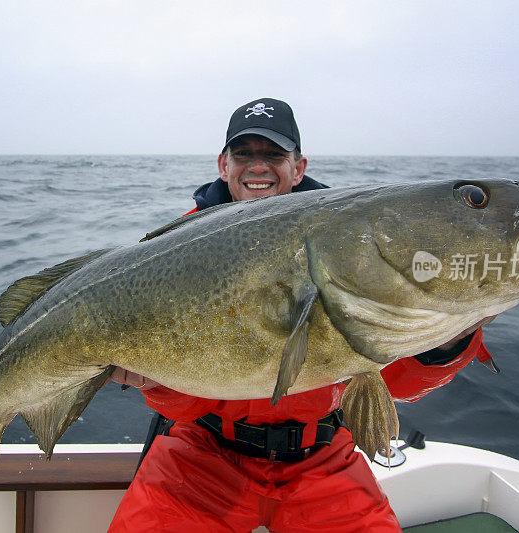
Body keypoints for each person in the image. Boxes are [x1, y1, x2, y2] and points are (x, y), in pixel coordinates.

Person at [107, 98, 497, 532]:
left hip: (322, 457)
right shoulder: (173, 253)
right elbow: (191, 394)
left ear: (298, 166)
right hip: (201, 452)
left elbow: (395, 380)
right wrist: (157, 381)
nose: (258, 166)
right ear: (223, 165)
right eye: (244, 154)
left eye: (274, 155)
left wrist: (447, 343)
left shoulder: (353, 242)